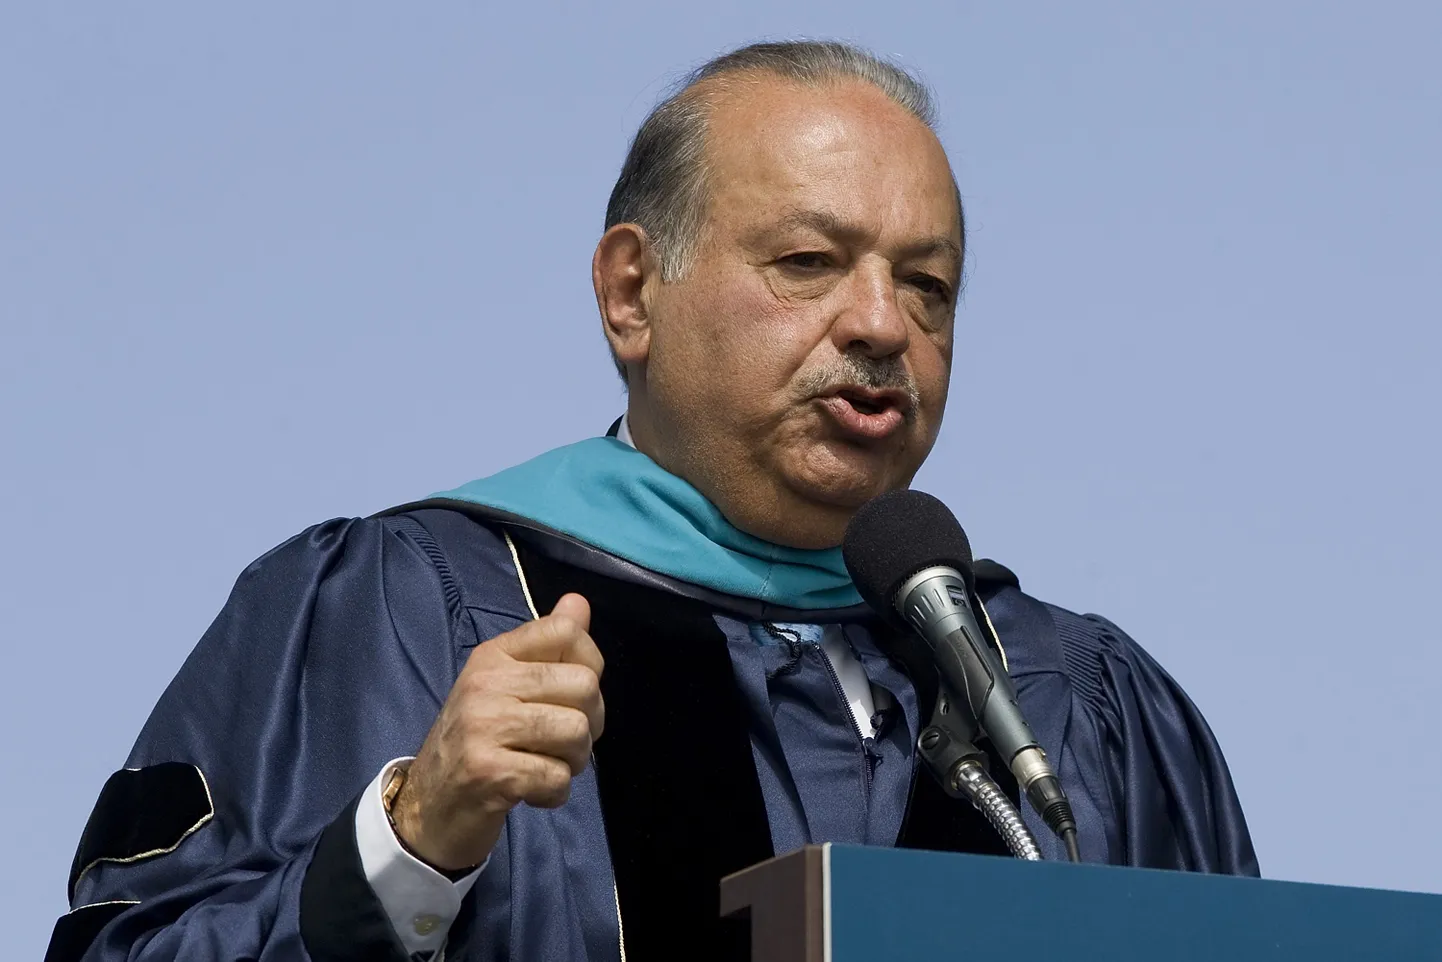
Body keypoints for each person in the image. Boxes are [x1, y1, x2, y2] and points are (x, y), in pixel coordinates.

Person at [46, 40, 1257, 962]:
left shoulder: (1070, 701)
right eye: (807, 262)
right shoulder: (406, 609)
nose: (881, 323)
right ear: (632, 292)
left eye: (926, 284)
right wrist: (406, 842)